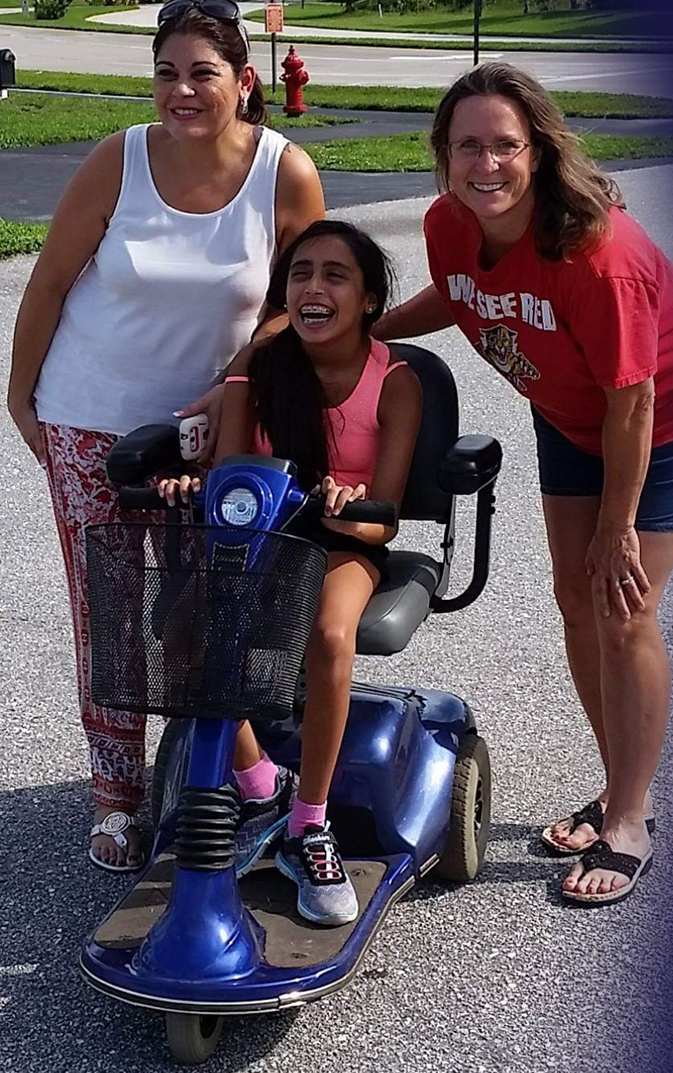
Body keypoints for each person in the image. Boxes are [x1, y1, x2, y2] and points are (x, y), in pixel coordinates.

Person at [373, 63, 673, 907]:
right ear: (444, 154)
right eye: (469, 146)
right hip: (571, 407)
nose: (487, 164)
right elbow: (462, 293)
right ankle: (619, 785)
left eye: (506, 145)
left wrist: (618, 525)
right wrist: (371, 334)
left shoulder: (597, 255)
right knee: (575, 601)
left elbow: (634, 400)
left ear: (539, 151)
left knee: (623, 605)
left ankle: (633, 820)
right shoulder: (447, 224)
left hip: (670, 409)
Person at [5, 0, 325, 873]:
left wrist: (235, 382)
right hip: (90, 415)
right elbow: (50, 280)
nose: (181, 91)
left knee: (199, 605)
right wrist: (21, 396)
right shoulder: (119, 160)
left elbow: (301, 305)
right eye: (166, 73)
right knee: (108, 612)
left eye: (203, 73)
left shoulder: (283, 172)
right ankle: (116, 798)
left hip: (212, 434)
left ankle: (236, 766)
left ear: (245, 81)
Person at [158, 220, 420, 925]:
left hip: (344, 541)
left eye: (336, 276)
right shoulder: (258, 373)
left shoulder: (395, 382)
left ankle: (310, 822)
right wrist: (195, 485)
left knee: (330, 636)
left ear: (368, 300)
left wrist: (345, 507)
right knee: (179, 627)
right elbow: (231, 471)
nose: (315, 288)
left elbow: (384, 519)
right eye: (302, 274)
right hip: (264, 534)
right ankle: (261, 778)